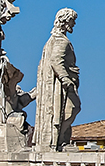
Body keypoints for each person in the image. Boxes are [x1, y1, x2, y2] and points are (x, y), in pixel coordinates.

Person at [33, 9, 81, 150]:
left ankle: (61, 139)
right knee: (73, 108)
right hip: (62, 84)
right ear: (65, 21)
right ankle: (59, 140)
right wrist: (65, 78)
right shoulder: (61, 41)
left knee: (68, 110)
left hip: (62, 82)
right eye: (72, 21)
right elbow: (56, 60)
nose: (74, 24)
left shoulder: (54, 39)